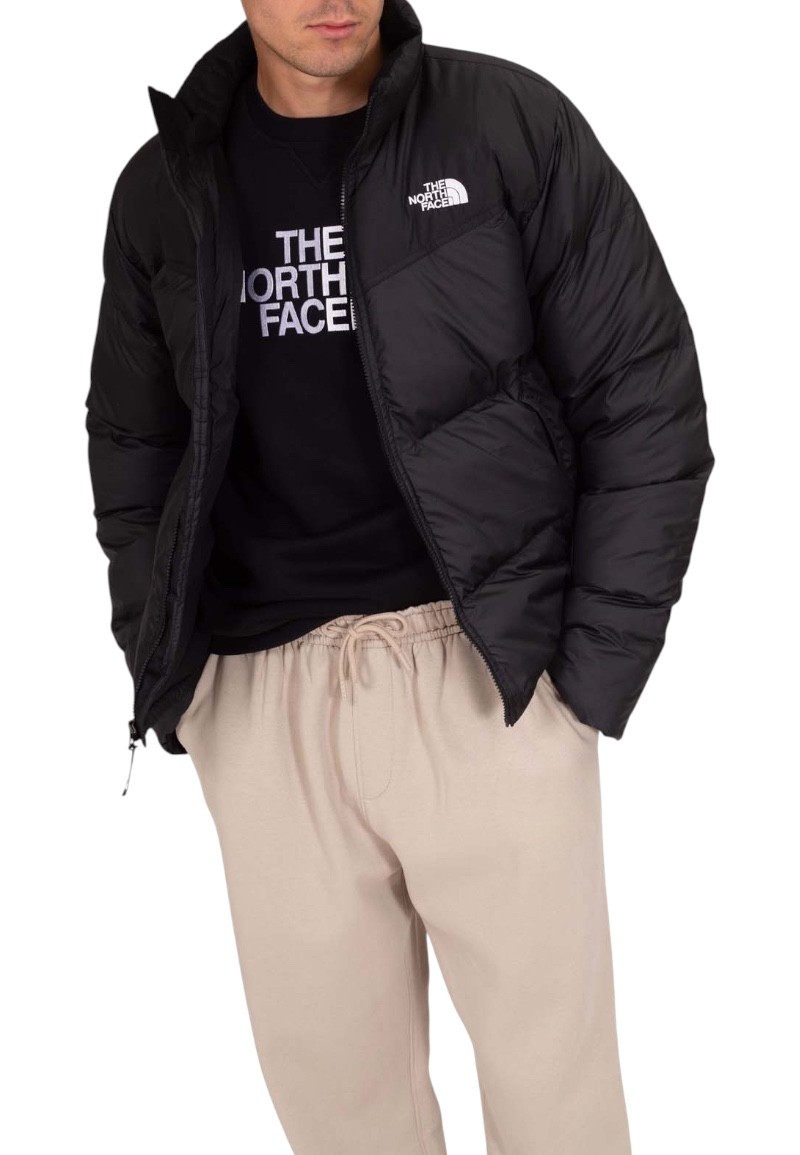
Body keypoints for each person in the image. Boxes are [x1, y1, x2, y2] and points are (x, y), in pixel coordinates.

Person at [84, 0, 714, 1151]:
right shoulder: (164, 186)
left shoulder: (502, 123)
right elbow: (134, 441)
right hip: (262, 695)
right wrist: (178, 677)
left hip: (485, 674)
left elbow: (642, 393)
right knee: (341, 1117)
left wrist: (586, 675)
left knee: (557, 1105)